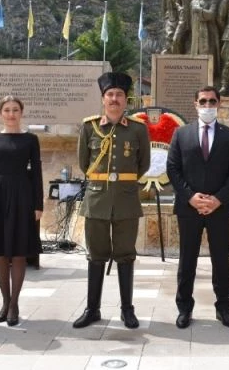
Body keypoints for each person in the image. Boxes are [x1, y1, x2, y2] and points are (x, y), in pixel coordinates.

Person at [73, 73, 150, 329]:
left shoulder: (138, 129)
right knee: (95, 255)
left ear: (125, 99)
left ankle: (127, 310)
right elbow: (84, 163)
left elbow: (143, 164)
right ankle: (92, 309)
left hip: (127, 201)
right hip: (96, 200)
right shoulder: (89, 127)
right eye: (110, 95)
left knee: (126, 256)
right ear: (103, 98)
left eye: (119, 95)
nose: (114, 99)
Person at [166, 86, 229, 329]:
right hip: (189, 208)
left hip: (219, 208)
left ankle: (223, 308)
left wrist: (218, 199)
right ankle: (184, 309)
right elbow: (173, 169)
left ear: (218, 103)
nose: (207, 105)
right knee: (187, 260)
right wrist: (190, 197)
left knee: (221, 260)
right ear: (195, 103)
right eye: (203, 101)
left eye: (212, 101)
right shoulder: (181, 134)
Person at [0, 96, 43, 326]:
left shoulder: (31, 139)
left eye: (15, 110)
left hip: (23, 195)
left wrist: (38, 205)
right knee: (0, 252)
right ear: (0, 113)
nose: (11, 114)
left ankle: (15, 304)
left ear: (21, 112)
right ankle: (5, 302)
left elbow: (37, 172)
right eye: (7, 110)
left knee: (19, 251)